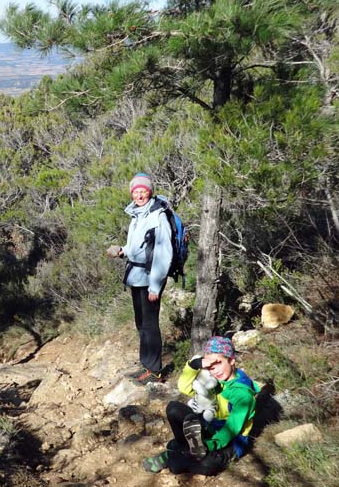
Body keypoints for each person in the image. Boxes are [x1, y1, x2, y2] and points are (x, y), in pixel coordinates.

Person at [142, 336, 260, 476]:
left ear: (232, 360)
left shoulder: (243, 395)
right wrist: (194, 365)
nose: (214, 370)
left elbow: (232, 429)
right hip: (209, 427)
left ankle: (177, 455)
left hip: (231, 441)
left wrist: (208, 445)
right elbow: (184, 387)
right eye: (210, 366)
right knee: (173, 408)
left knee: (207, 464)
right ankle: (186, 449)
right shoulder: (215, 379)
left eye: (218, 363)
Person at [107, 173, 172, 385]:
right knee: (141, 323)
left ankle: (154, 371)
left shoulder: (157, 216)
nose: (139, 194)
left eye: (143, 190)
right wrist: (122, 251)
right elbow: (140, 247)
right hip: (136, 277)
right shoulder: (138, 215)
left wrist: (155, 286)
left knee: (150, 325)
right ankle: (146, 365)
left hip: (149, 278)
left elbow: (164, 253)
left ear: (150, 191)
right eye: (136, 191)